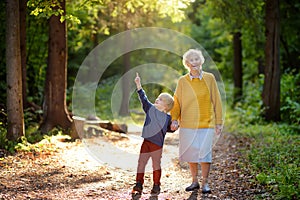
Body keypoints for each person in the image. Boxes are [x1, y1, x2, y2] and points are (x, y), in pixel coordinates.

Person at [170, 49, 223, 194]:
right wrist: (174, 119)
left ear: (201, 61)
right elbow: (176, 103)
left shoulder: (209, 78)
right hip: (187, 124)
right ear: (186, 64)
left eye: (196, 59)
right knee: (191, 154)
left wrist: (219, 122)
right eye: (190, 60)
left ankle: (205, 183)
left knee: (205, 155)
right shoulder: (182, 81)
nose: (194, 62)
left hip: (206, 123)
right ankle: (194, 181)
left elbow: (217, 101)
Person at [132, 72, 175, 196]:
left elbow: (170, 129)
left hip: (157, 146)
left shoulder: (168, 118)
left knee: (156, 165)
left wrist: (175, 126)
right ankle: (139, 184)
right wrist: (139, 85)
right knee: (141, 163)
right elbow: (144, 99)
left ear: (166, 106)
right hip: (146, 142)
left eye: (161, 100)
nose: (157, 99)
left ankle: (156, 185)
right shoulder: (150, 109)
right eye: (158, 98)